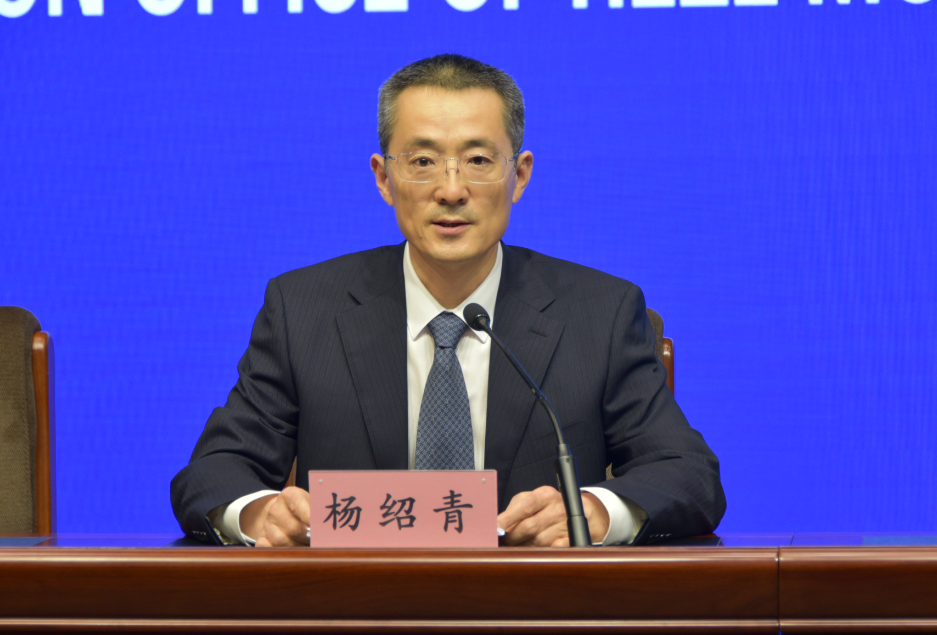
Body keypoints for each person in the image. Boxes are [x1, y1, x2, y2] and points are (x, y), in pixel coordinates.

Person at [171, 54, 725, 548]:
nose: (452, 189)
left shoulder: (599, 313)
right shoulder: (304, 309)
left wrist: (594, 514)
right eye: (423, 161)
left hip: (531, 608)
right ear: (383, 178)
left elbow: (689, 474)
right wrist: (261, 514)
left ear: (519, 176)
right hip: (358, 607)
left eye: (479, 160)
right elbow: (212, 474)